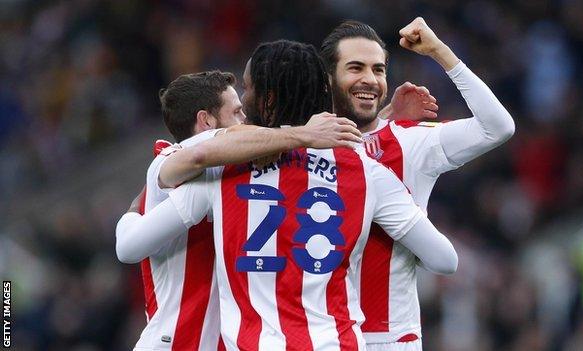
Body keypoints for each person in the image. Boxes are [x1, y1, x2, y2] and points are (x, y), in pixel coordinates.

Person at [116, 40, 458, 351]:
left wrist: (134, 209)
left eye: (248, 88)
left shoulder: (222, 172)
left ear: (265, 99)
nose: (243, 104)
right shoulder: (367, 172)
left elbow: (131, 246)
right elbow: (444, 259)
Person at [117, 70, 363, 350]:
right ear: (205, 120)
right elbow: (127, 248)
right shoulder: (171, 160)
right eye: (236, 113)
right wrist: (304, 133)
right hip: (177, 341)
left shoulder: (232, 173)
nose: (245, 121)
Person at [319, 18, 515, 350]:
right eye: (355, 68)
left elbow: (497, 128)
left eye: (378, 70)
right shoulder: (299, 142)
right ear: (328, 80)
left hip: (389, 339)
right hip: (316, 334)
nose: (370, 79)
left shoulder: (410, 142)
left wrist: (439, 52)